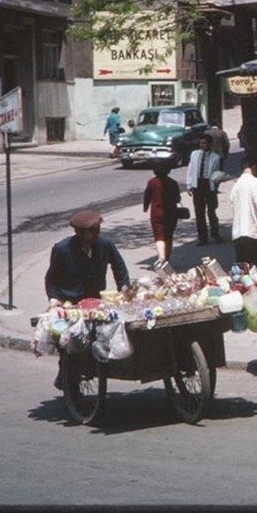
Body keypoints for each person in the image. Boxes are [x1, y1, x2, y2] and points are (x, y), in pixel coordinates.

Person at [39, 208, 130, 386]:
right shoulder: (62, 249)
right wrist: (54, 299)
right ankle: (66, 373)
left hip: (96, 302)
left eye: (98, 229)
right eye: (92, 230)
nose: (96, 233)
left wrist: (124, 290)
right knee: (67, 342)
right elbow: (51, 278)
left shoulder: (105, 244)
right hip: (70, 304)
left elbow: (119, 267)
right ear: (79, 233)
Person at [229, 153, 257, 272]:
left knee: (243, 271)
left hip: (238, 234)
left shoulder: (236, 186)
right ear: (254, 167)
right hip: (254, 233)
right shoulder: (255, 183)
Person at [185, 135, 224, 245]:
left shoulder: (215, 157)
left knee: (212, 211)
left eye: (205, 143)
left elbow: (217, 174)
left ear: (210, 144)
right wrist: (189, 184)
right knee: (199, 213)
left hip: (209, 186)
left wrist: (215, 187)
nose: (202, 145)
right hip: (198, 185)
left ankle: (215, 233)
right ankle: (203, 237)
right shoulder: (194, 154)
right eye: (201, 143)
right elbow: (190, 169)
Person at [143, 162, 182, 267]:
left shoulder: (152, 182)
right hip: (171, 213)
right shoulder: (173, 183)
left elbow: (147, 196)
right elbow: (178, 198)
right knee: (168, 236)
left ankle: (161, 258)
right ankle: (167, 259)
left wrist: (145, 207)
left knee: (159, 236)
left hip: (157, 213)